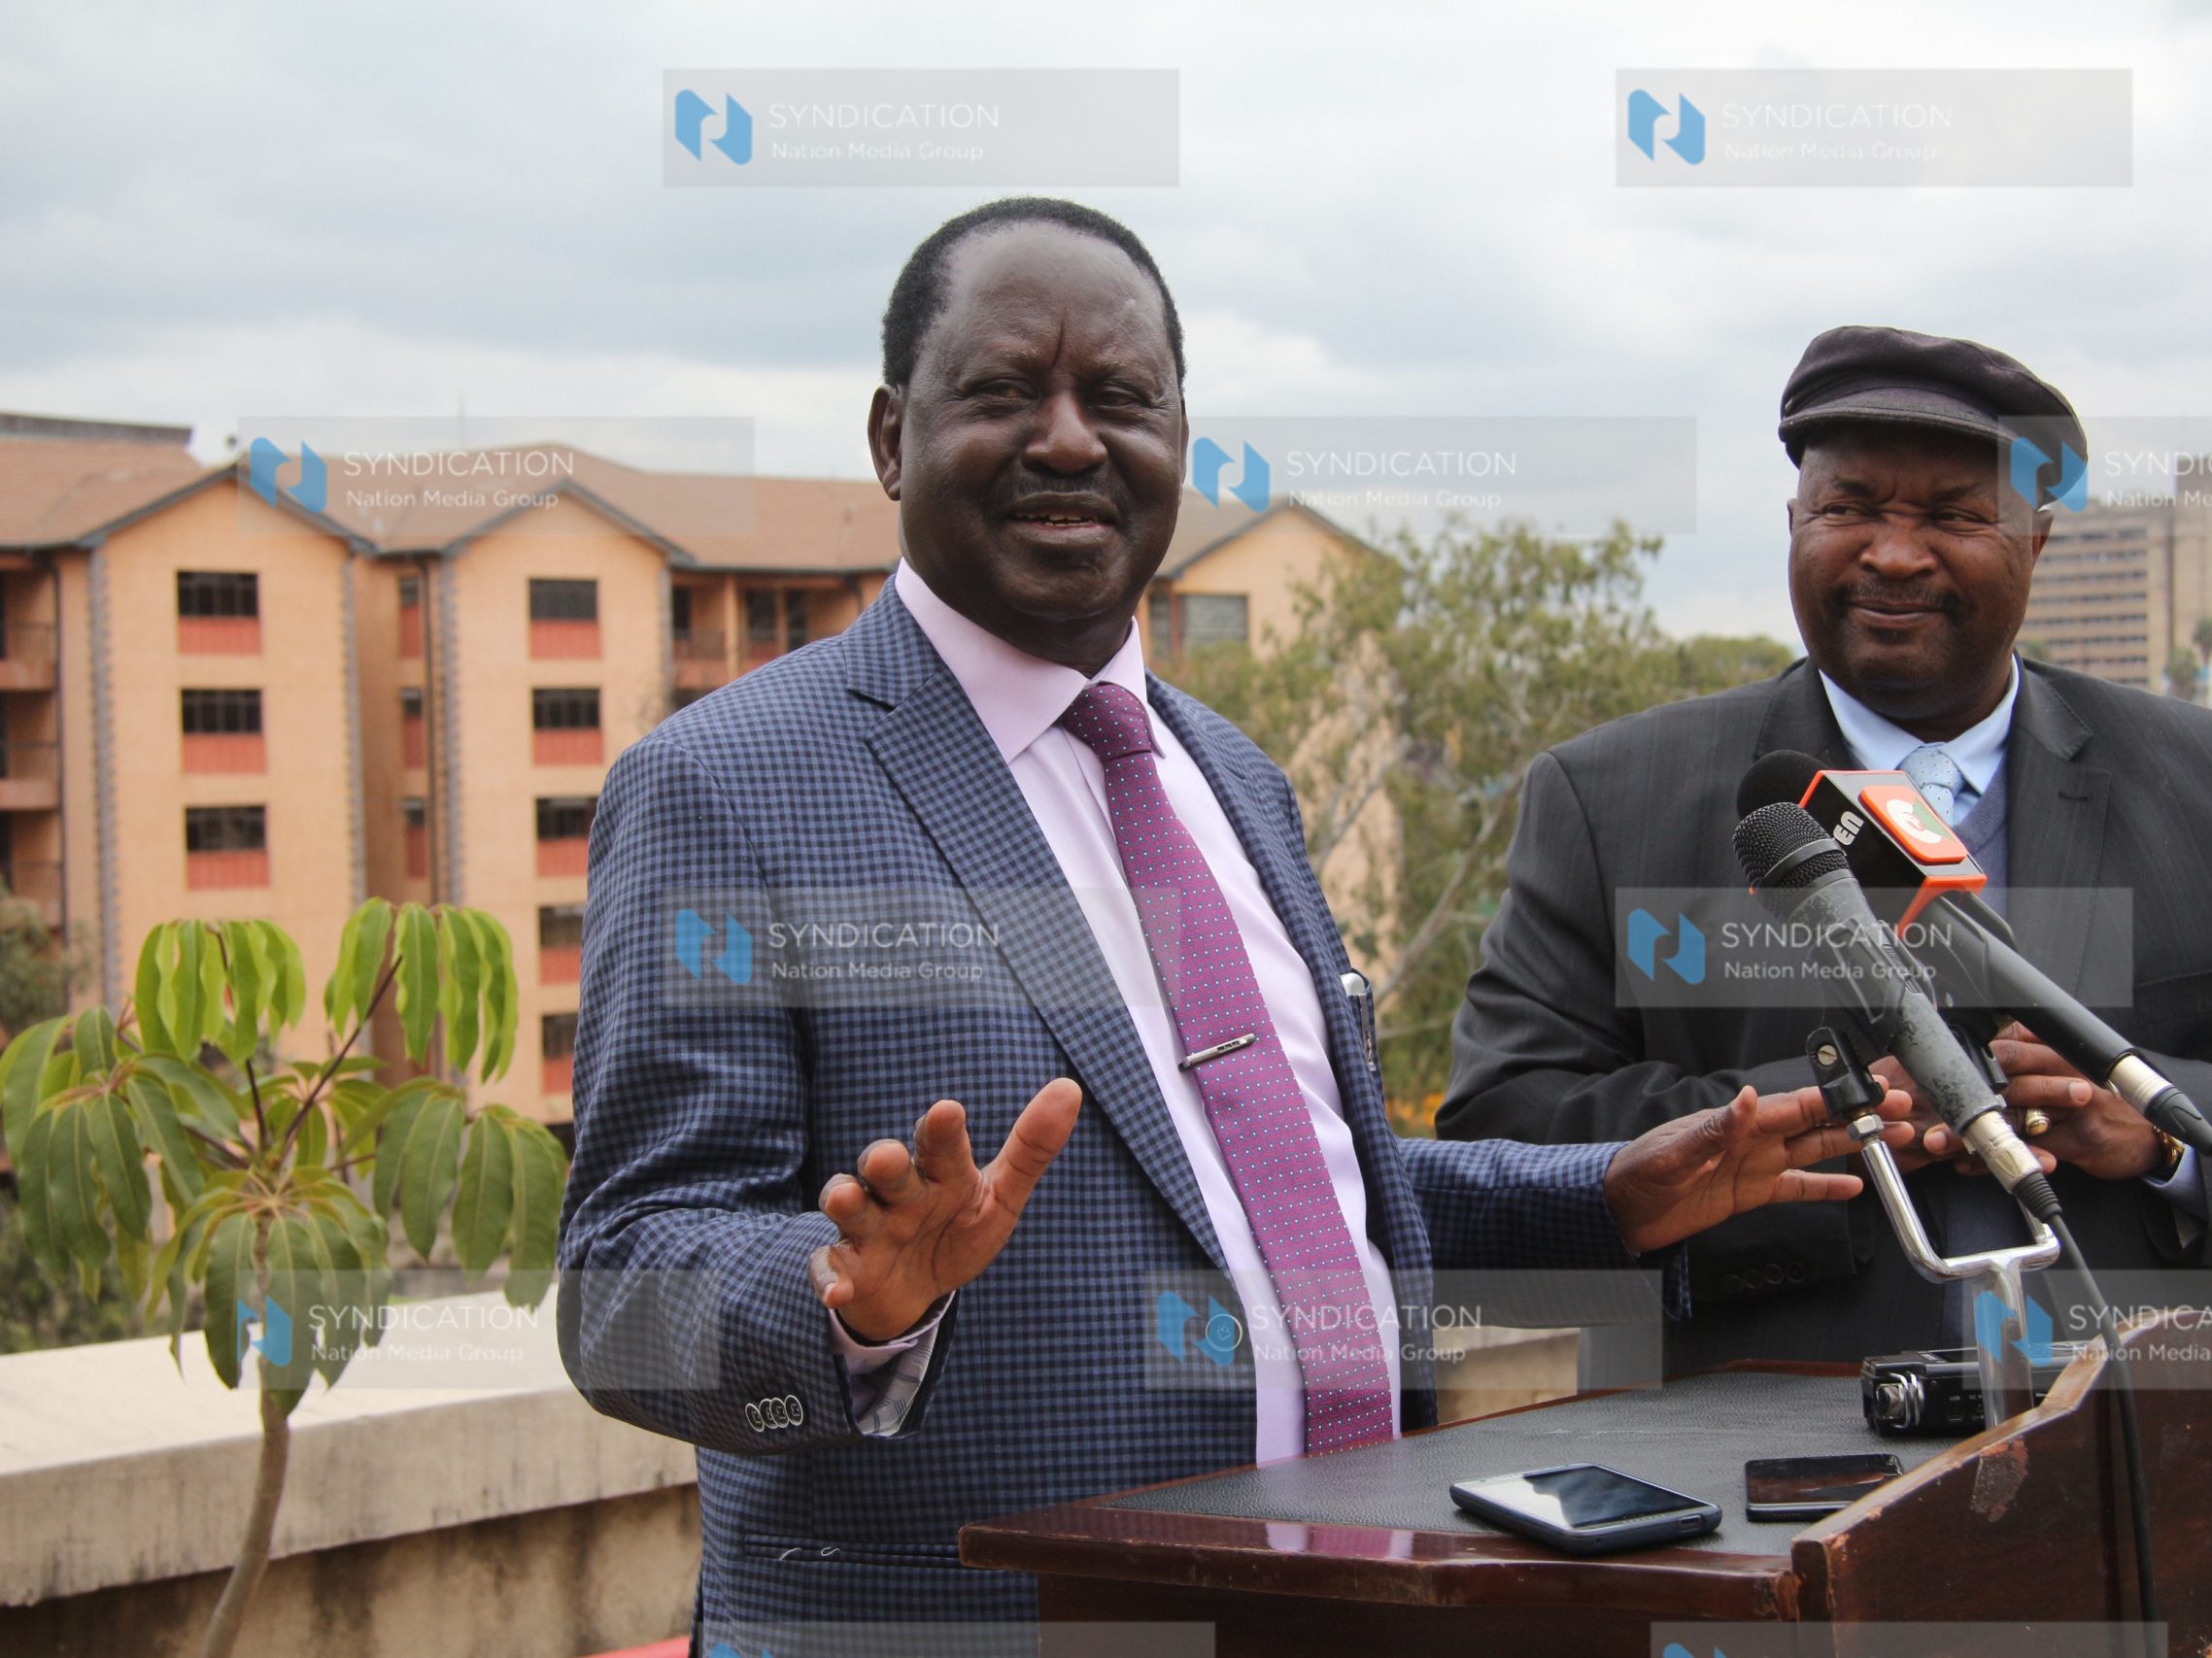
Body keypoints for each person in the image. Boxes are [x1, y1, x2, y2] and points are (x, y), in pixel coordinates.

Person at [556, 202, 1908, 1650]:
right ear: (892, 436)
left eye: (1121, 399)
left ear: (1180, 442)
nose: (1070, 439)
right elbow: (625, 1284)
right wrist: (850, 1304)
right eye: (1005, 391)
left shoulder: (1231, 779)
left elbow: (1298, 1198)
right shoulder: (727, 784)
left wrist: (1603, 1198)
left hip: (1346, 1600)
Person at [1438, 324, 2212, 1376]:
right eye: (1850, 508)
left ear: (2037, 539)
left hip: (2153, 1490)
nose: (1891, 551)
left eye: (1952, 515)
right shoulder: (1609, 799)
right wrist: (1842, 1113)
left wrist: (2158, 1133)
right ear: (1794, 522)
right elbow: (1498, 1167)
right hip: (1754, 1497)